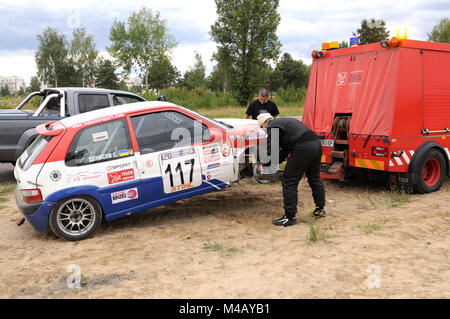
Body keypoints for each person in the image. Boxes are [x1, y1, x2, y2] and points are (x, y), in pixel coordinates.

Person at [256, 113, 326, 227]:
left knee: (289, 180)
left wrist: (262, 164)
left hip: (303, 147)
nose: (263, 130)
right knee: (314, 178)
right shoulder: (283, 123)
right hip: (316, 144)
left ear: (264, 123)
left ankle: (289, 217)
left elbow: (271, 150)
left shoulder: (272, 126)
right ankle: (320, 209)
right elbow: (284, 151)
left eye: (261, 127)